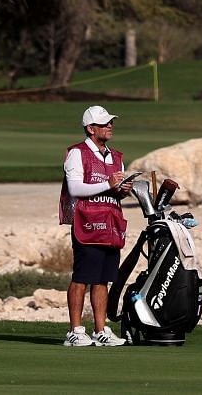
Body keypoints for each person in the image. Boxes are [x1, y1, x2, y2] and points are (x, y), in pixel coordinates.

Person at [61, 104, 132, 347]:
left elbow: (114, 192)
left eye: (111, 122)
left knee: (102, 280)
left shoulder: (117, 157)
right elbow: (76, 189)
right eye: (104, 124)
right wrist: (110, 185)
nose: (110, 126)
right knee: (82, 277)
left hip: (111, 224)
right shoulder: (77, 153)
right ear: (91, 129)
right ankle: (75, 331)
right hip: (87, 223)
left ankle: (101, 330)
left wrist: (123, 191)